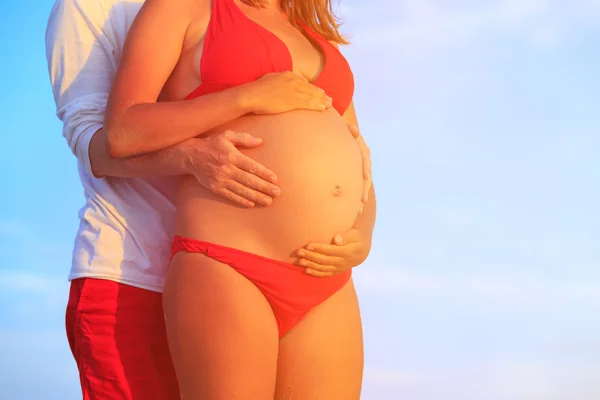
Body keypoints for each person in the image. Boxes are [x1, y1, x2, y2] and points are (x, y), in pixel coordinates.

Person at [45, 0, 373, 399]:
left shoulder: (309, 29)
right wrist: (239, 104)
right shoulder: (121, 7)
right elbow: (108, 137)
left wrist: (364, 231)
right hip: (197, 259)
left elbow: (359, 153)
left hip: (324, 275)